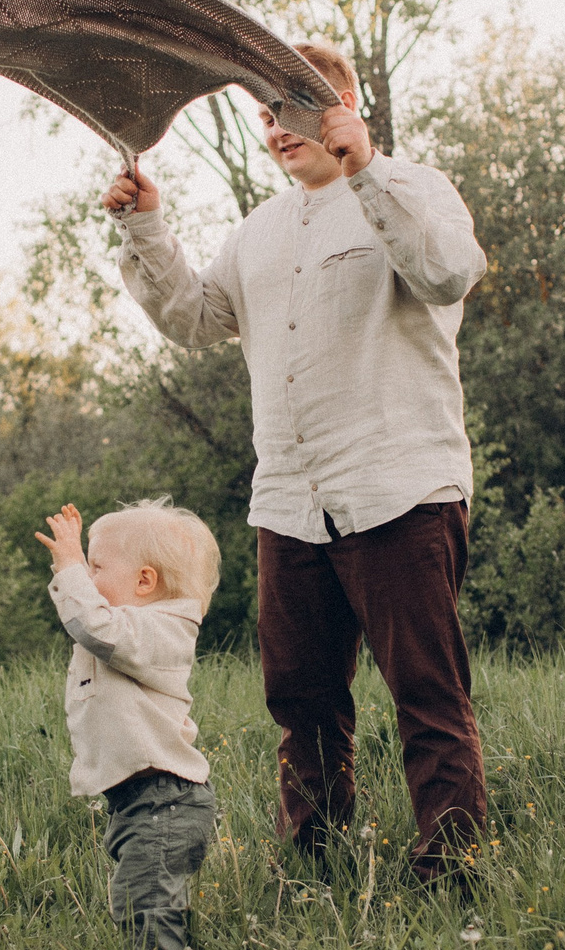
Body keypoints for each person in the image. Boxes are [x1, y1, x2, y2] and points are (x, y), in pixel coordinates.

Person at [100, 44, 490, 885]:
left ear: (343, 101)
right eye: (266, 116)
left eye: (293, 109)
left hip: (399, 487)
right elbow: (196, 318)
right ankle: (317, 860)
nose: (279, 130)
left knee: (427, 694)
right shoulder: (260, 230)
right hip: (288, 501)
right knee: (301, 700)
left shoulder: (413, 186)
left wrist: (365, 169)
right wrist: (145, 224)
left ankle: (453, 867)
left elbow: (449, 271)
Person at [35, 500, 219, 950]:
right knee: (141, 897)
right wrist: (81, 568)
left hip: (166, 799)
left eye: (97, 567)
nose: (86, 576)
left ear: (144, 581)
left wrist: (71, 566)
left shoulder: (163, 631)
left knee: (146, 904)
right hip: (141, 799)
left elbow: (92, 625)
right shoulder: (132, 628)